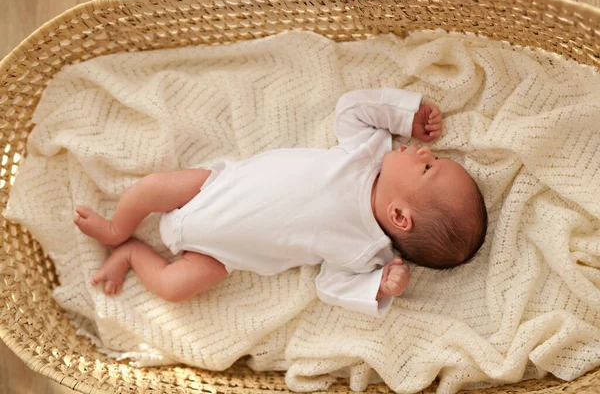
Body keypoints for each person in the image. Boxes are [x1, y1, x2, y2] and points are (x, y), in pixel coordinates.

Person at [74, 88, 488, 318]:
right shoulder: (367, 153)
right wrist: (405, 117)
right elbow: (351, 109)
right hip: (213, 189)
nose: (420, 151)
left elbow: (330, 286)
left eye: (428, 168)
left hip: (219, 255)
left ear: (400, 215)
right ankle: (117, 229)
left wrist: (376, 286)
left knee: (173, 287)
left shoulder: (366, 252)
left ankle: (130, 253)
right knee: (150, 188)